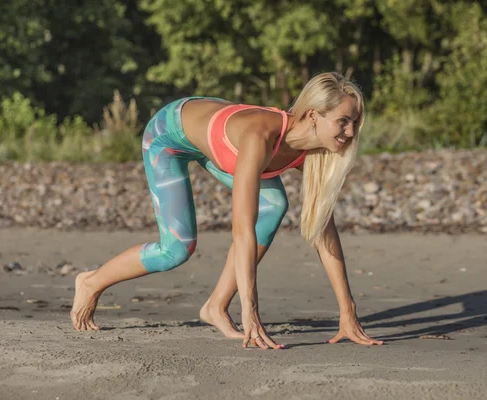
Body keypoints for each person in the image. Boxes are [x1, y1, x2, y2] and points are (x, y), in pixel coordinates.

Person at [70, 71, 384, 349]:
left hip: (214, 135)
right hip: (169, 136)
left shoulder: (311, 153)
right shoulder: (259, 136)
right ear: (314, 115)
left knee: (273, 206)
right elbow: (243, 229)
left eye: (355, 121)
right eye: (343, 121)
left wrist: (348, 311)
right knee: (176, 249)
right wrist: (251, 311)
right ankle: (91, 282)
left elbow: (322, 228)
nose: (352, 131)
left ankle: (216, 307)